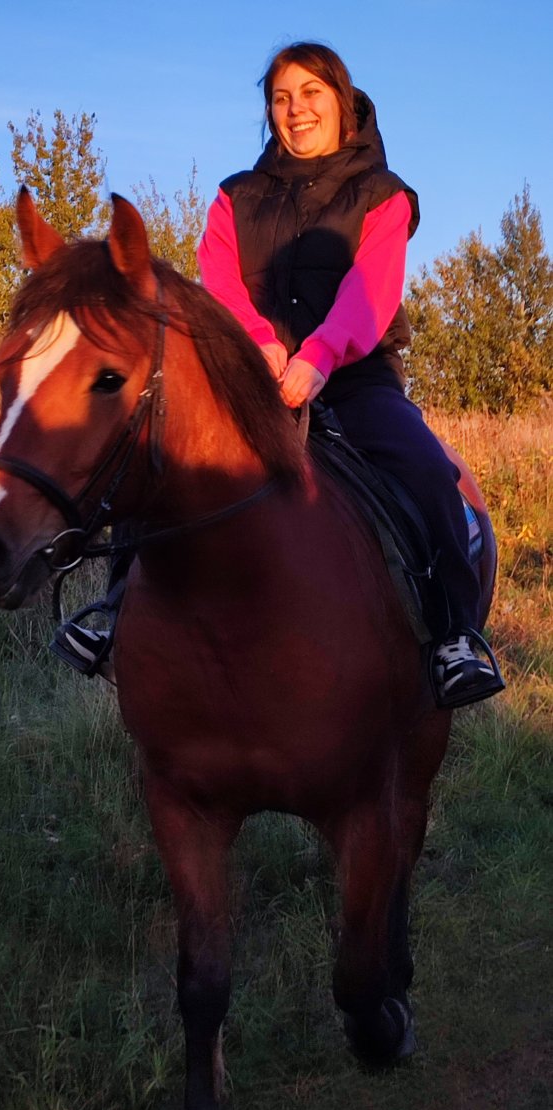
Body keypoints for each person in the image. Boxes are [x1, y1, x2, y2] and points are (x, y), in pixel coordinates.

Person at [55, 41, 503, 707]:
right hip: (254, 374)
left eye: (311, 94)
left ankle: (454, 635)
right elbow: (219, 277)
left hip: (355, 377)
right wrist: (258, 344)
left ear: (342, 103)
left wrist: (319, 356)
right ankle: (113, 614)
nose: (296, 110)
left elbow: (372, 290)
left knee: (426, 471)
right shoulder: (234, 196)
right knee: (156, 454)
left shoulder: (383, 195)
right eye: (281, 98)